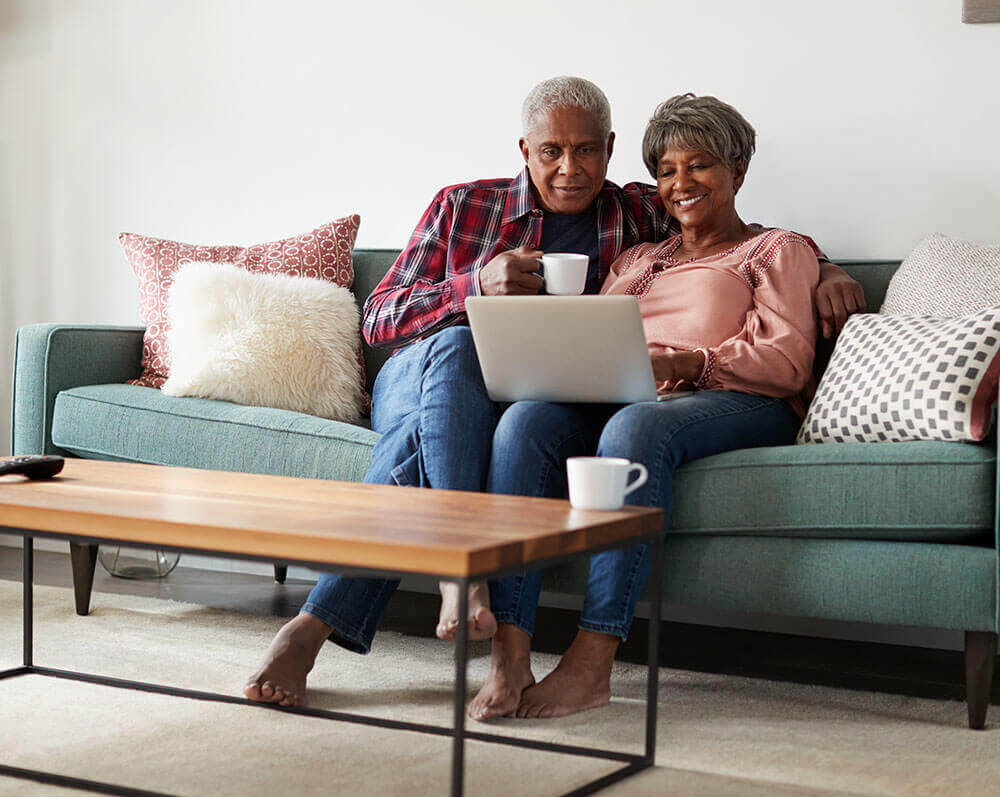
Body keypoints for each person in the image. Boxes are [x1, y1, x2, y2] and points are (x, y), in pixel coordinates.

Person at [244, 78, 863, 709]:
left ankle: (336, 625)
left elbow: (747, 237)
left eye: (588, 151)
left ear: (610, 149)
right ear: (524, 149)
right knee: (459, 355)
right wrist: (473, 289)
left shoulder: (636, 217)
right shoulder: (468, 206)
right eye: (551, 152)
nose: (571, 169)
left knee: (509, 425)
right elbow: (378, 320)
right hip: (423, 366)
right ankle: (468, 572)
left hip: (565, 393)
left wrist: (827, 267)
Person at [468, 93, 823, 721]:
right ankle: (510, 648)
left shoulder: (777, 250)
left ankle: (592, 662)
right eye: (666, 171)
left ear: (737, 172)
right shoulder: (638, 258)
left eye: (701, 166)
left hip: (737, 399)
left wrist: (685, 363)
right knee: (525, 421)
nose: (680, 183)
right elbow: (596, 334)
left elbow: (788, 362)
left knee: (636, 424)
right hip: (634, 393)